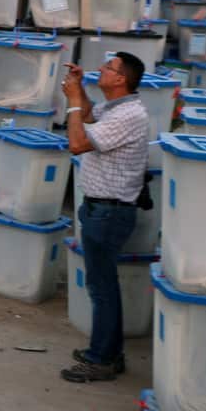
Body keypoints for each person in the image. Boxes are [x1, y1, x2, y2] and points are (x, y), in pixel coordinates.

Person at [59, 52, 150, 384]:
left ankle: (102, 360)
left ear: (121, 79)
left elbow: (77, 142)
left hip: (110, 211)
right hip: (100, 208)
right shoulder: (114, 108)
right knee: (102, 285)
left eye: (108, 68)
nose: (102, 69)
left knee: (102, 288)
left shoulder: (129, 115)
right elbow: (87, 115)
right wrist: (80, 91)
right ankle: (108, 353)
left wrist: (70, 102)